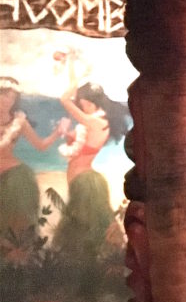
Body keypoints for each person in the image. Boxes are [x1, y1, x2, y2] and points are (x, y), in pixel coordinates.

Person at [51, 80, 130, 261]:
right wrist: (68, 134)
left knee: (87, 225)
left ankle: (91, 262)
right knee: (87, 224)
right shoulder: (96, 123)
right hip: (82, 178)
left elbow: (66, 102)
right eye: (82, 105)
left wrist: (67, 93)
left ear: (96, 104)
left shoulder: (95, 121)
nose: (84, 108)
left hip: (84, 181)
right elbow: (84, 143)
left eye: (86, 105)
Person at [0, 76, 62, 260]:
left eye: (12, 98)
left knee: (18, 227)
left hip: (17, 179)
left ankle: (18, 268)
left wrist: (57, 133)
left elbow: (40, 145)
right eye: (4, 96)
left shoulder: (19, 121)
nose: (7, 101)